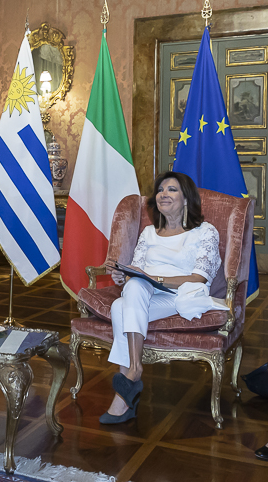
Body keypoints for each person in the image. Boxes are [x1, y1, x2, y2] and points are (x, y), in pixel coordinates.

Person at [101, 171, 226, 424]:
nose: (163, 194)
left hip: (181, 295)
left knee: (119, 307)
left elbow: (199, 278)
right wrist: (123, 277)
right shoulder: (148, 233)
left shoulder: (205, 232)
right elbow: (136, 273)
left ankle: (125, 389)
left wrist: (153, 278)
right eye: (160, 190)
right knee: (132, 289)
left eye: (171, 189)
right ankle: (134, 371)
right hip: (145, 292)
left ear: (186, 198)